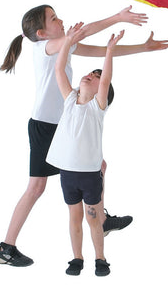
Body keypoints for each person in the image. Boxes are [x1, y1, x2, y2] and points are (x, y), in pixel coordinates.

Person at [0, 4, 168, 267]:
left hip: (63, 124)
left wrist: (143, 48)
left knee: (98, 166)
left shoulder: (63, 47)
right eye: (54, 19)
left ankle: (101, 219)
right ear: (42, 33)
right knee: (36, 187)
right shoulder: (45, 47)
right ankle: (6, 247)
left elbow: (102, 51)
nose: (61, 20)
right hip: (45, 125)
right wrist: (117, 17)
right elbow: (85, 31)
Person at [47, 24, 123, 277]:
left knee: (93, 218)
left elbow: (107, 79)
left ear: (103, 92)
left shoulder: (97, 107)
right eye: (90, 72)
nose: (91, 74)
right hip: (68, 173)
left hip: (89, 175)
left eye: (96, 76)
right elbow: (59, 69)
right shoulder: (70, 100)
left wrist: (109, 51)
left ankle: (100, 258)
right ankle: (76, 258)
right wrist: (67, 41)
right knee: (74, 217)